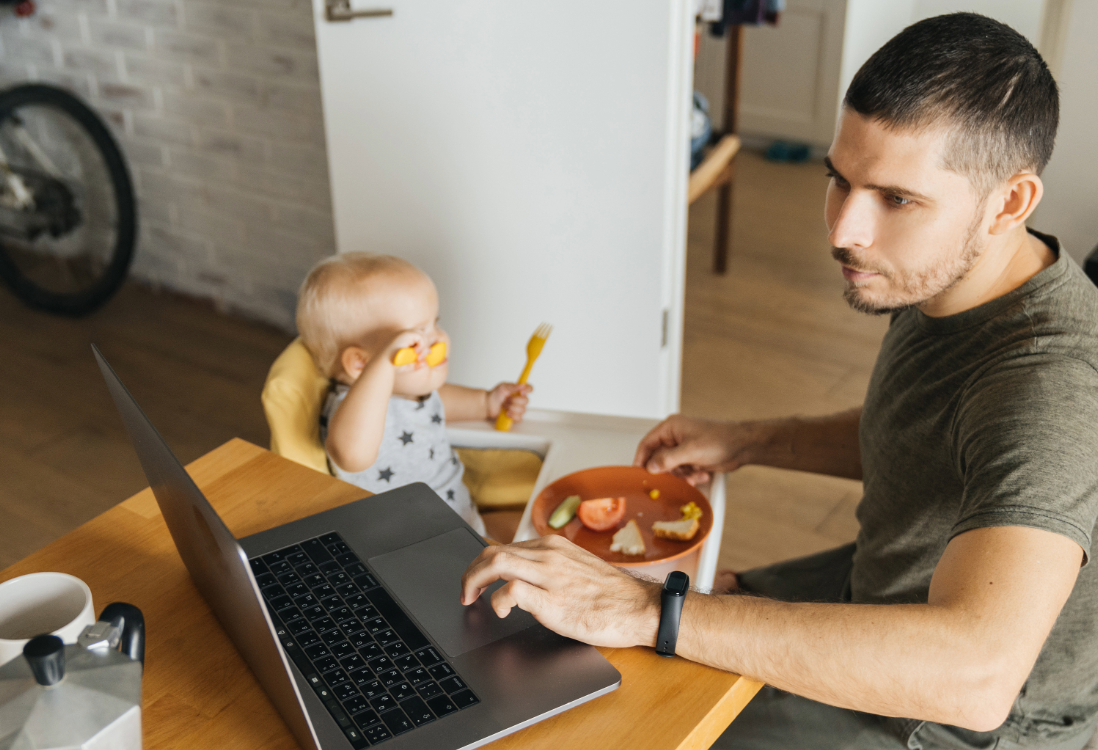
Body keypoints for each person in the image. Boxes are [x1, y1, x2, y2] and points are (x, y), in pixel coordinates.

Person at [460, 13, 1098, 750]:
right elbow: (927, 436)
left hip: (958, 717)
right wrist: (751, 440)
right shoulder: (947, 272)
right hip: (885, 586)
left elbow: (977, 678)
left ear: (1011, 203)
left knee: (627, 721)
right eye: (840, 180)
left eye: (895, 199)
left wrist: (648, 612)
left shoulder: (1052, 390)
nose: (843, 231)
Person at [297, 252, 531, 535]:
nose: (440, 339)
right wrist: (384, 364)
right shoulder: (356, 410)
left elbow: (436, 401)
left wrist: (486, 402)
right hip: (423, 545)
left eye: (436, 323)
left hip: (465, 520)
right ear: (361, 363)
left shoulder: (409, 391)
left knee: (540, 530)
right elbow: (351, 455)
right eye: (415, 339)